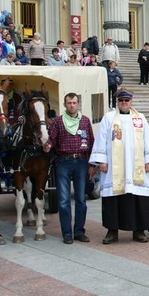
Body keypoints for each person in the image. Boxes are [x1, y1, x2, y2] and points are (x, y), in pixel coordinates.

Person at [89, 89, 149, 244]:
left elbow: (148, 139)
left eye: (126, 100)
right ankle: (112, 231)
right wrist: (101, 160)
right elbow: (101, 139)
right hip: (114, 168)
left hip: (136, 167)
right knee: (113, 198)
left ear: (131, 101)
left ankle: (139, 231)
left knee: (138, 198)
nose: (124, 103)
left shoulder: (140, 118)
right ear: (117, 102)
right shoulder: (108, 118)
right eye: (121, 100)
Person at [44, 93, 96, 244]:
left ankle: (79, 231)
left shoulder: (85, 121)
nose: (72, 105)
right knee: (64, 200)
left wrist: (92, 165)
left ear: (78, 104)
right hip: (63, 162)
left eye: (74, 102)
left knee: (81, 199)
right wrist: (47, 146)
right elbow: (51, 140)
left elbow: (92, 143)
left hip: (81, 161)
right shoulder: (58, 122)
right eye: (69, 103)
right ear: (64, 104)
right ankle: (67, 233)